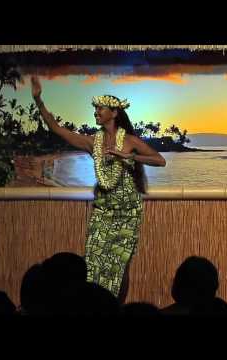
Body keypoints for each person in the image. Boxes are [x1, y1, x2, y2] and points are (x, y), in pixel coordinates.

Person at [30, 76, 166, 302]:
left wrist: (128, 156)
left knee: (120, 265)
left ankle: (117, 308)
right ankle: (95, 307)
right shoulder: (92, 142)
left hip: (127, 212)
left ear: (114, 113)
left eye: (100, 108)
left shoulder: (130, 141)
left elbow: (160, 161)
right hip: (103, 211)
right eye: (94, 108)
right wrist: (39, 100)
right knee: (93, 261)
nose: (95, 111)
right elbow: (56, 129)